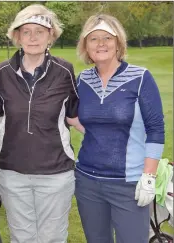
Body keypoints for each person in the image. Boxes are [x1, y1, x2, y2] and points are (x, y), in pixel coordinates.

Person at [72, 14, 165, 243]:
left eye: (107, 38)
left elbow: (155, 129)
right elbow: (74, 118)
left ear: (118, 43)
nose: (101, 44)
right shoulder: (82, 80)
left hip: (129, 184)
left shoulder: (140, 77)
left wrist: (149, 177)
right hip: (87, 181)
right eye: (93, 39)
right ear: (86, 45)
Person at [0, 4, 80, 243]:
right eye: (26, 31)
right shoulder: (2, 72)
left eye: (40, 31)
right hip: (12, 172)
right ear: (17, 36)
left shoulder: (64, 71)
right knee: (22, 237)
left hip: (55, 172)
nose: (33, 37)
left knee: (52, 238)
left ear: (50, 36)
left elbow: (74, 115)